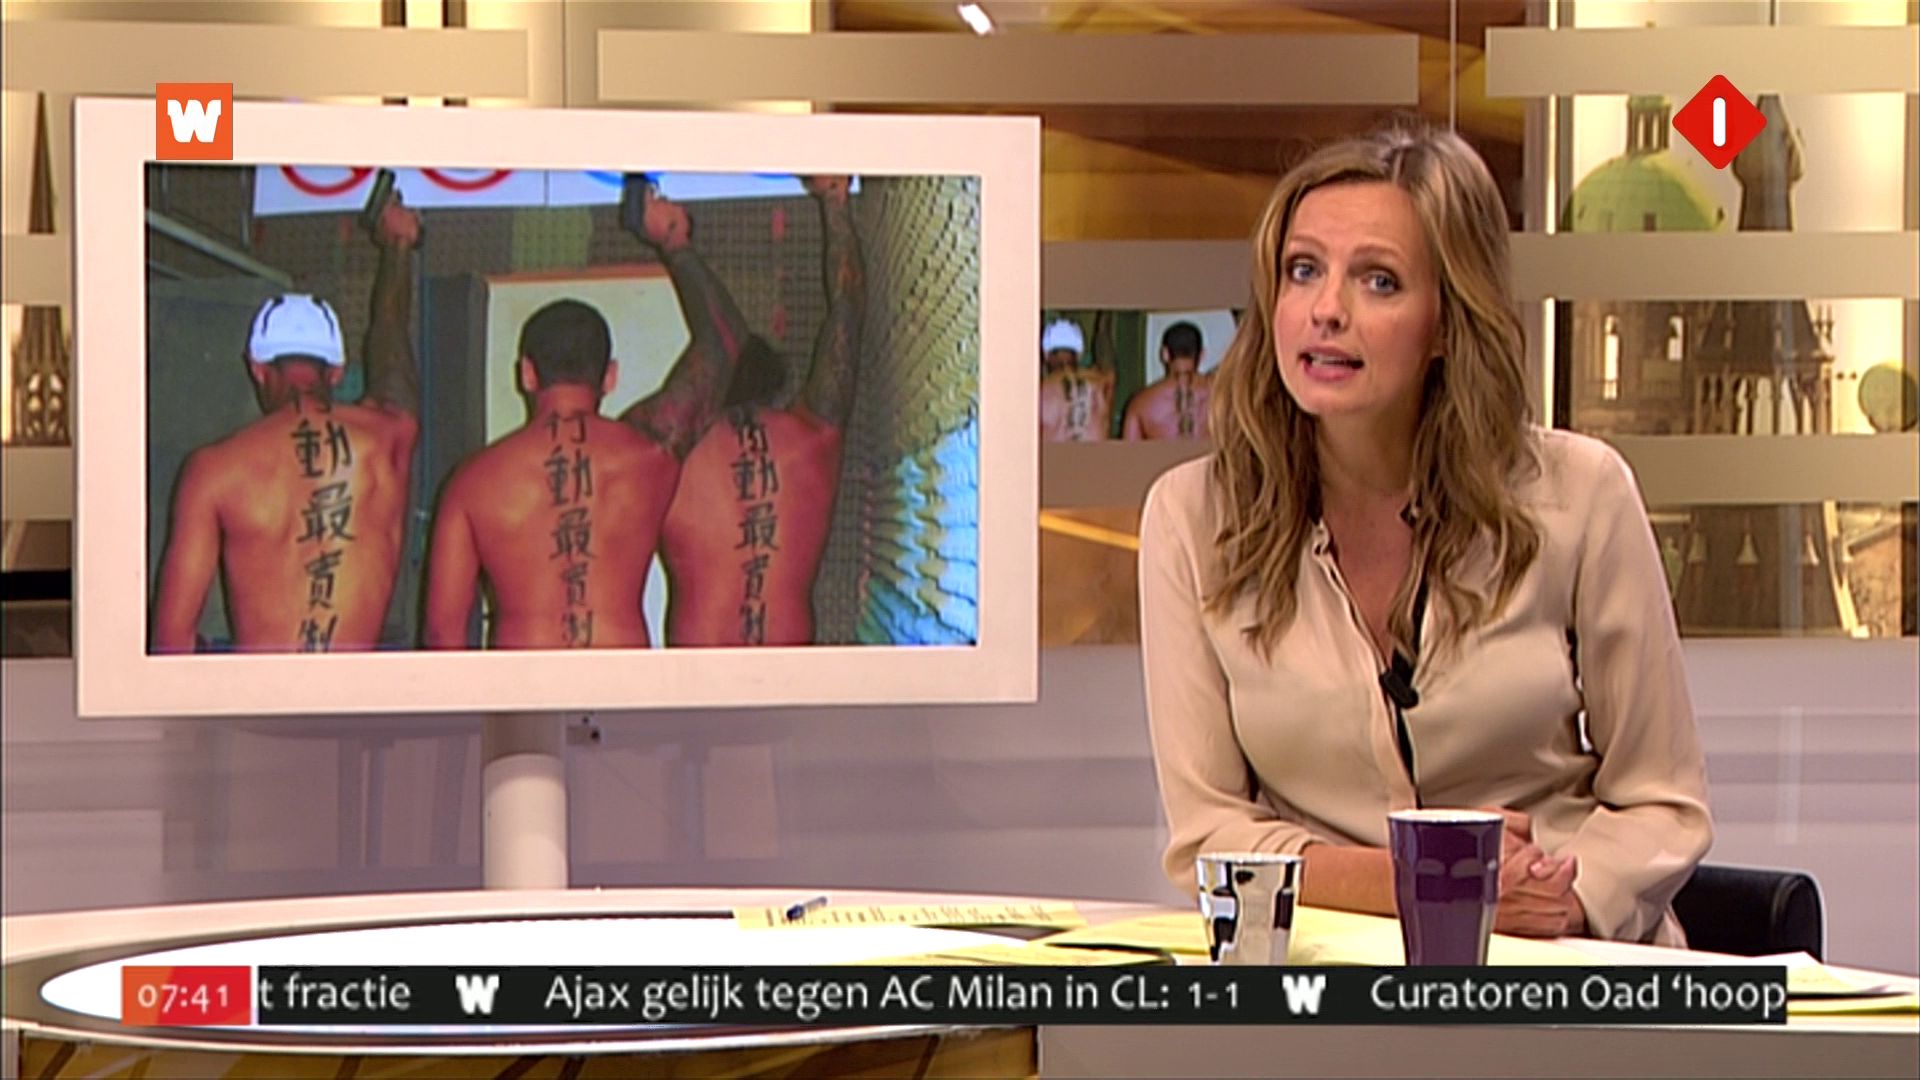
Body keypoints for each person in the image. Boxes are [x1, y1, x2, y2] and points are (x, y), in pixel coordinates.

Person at [1139, 124, 1711, 944]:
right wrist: (1432, 883)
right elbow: (1209, 839)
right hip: (1329, 978)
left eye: (1378, 280)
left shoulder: (1581, 496)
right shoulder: (1193, 519)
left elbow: (1662, 801)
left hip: (1559, 962)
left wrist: (1568, 898)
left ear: (1448, 321)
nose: (1326, 310)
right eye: (1303, 270)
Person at [423, 181, 743, 649]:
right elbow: (725, 346)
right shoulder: (651, 453)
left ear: (527, 373)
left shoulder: (473, 482)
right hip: (621, 685)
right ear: (609, 376)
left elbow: (442, 634)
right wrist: (675, 243)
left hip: (523, 690)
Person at [151, 198, 422, 653]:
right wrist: (398, 247)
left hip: (261, 695)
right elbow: (392, 358)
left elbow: (171, 639)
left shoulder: (213, 470)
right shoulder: (387, 437)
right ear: (336, 370)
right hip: (358, 694)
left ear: (257, 368)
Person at [657, 175, 864, 646]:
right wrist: (835, 201)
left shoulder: (671, 452)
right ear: (775, 384)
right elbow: (847, 314)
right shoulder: (813, 439)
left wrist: (676, 245)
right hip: (790, 670)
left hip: (695, 674)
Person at [1122, 320, 1213, 441]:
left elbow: (1129, 451)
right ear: (1202, 355)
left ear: (1165, 354)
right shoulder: (1224, 398)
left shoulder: (1140, 404)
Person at [1038, 317, 1114, 442]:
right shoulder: (1103, 384)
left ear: (1045, 355)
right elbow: (1105, 342)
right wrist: (1104, 318)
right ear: (1079, 354)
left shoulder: (1038, 392)